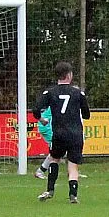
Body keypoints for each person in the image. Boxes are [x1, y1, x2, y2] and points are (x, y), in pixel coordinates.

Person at [33, 62, 90, 203]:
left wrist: (41, 119)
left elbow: (36, 109)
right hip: (75, 134)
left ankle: (50, 190)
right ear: (69, 75)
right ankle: (73, 195)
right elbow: (87, 115)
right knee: (73, 165)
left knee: (54, 159)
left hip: (59, 133)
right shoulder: (78, 93)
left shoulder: (50, 93)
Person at [33, 108, 54, 179]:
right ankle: (40, 172)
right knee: (56, 150)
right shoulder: (56, 104)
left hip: (46, 126)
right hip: (47, 126)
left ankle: (72, 171)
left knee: (57, 150)